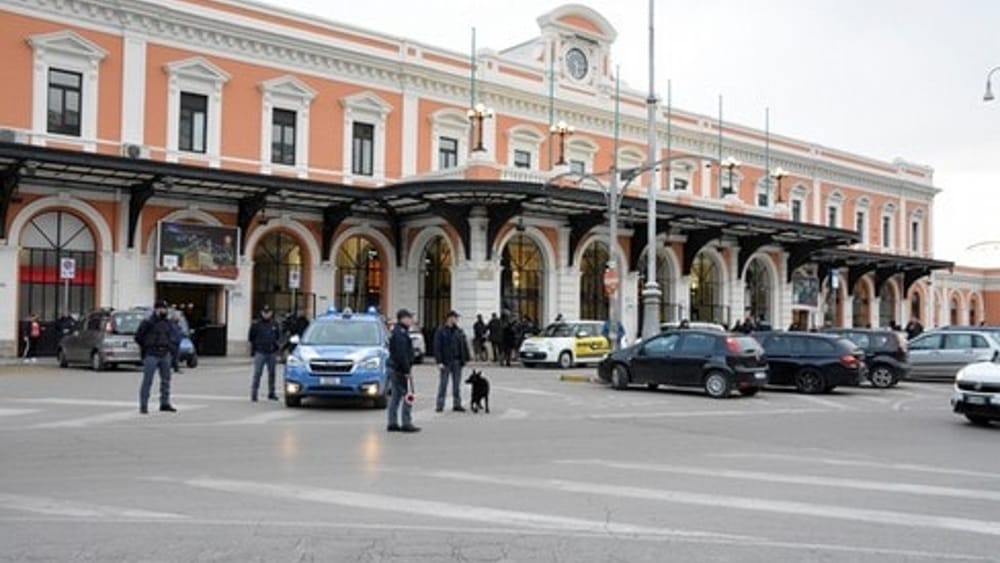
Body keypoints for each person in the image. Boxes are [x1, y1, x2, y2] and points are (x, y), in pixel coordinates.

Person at [135, 300, 177, 414]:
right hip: (151, 354)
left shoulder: (168, 323)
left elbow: (172, 336)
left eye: (165, 308)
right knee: (147, 381)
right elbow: (138, 337)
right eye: (162, 308)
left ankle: (165, 403)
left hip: (165, 354)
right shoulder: (148, 322)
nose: (164, 311)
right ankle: (143, 405)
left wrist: (170, 348)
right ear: (156, 309)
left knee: (166, 381)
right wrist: (147, 346)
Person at [387, 308, 420, 433]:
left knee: (395, 396)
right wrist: (407, 371)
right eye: (410, 317)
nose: (411, 320)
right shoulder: (400, 333)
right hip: (400, 369)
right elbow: (401, 354)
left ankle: (392, 422)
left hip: (395, 368)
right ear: (403, 319)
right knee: (408, 395)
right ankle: (406, 422)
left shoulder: (398, 331)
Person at [433, 310, 467, 412]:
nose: (457, 320)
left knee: (456, 385)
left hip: (457, 361)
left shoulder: (459, 331)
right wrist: (439, 362)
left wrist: (464, 359)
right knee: (443, 384)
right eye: (455, 317)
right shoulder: (441, 331)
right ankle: (440, 405)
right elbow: (437, 347)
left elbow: (463, 345)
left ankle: (457, 404)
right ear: (450, 318)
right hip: (445, 361)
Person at [248, 305, 281, 402]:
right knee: (257, 373)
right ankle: (254, 393)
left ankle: (271, 393)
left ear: (271, 313)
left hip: (271, 352)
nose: (266, 314)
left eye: (268, 312)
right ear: (262, 313)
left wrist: (276, 347)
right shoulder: (256, 324)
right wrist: (256, 347)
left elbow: (278, 336)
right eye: (264, 312)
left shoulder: (274, 324)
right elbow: (251, 337)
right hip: (260, 352)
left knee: (272, 374)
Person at [169, 309, 184, 374]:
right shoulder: (170, 324)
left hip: (177, 343)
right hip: (172, 343)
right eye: (178, 316)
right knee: (170, 357)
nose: (179, 318)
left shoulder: (177, 324)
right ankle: (168, 369)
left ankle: (176, 368)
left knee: (176, 356)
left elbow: (179, 332)